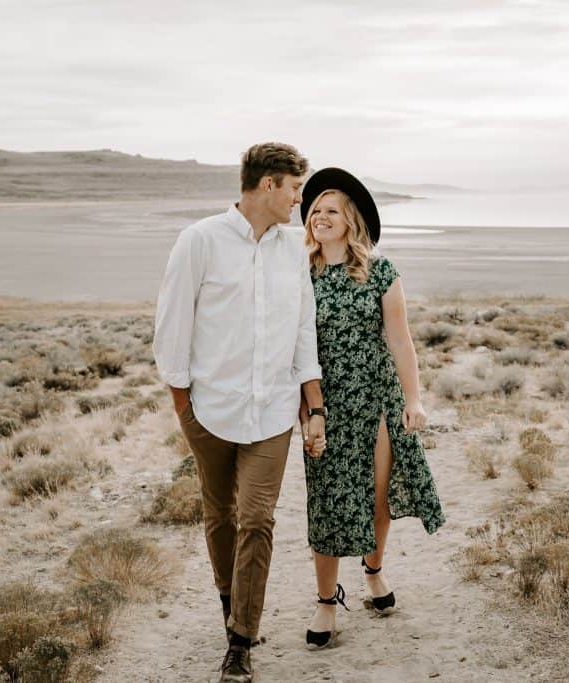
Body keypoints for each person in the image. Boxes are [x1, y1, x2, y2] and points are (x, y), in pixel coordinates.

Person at [152, 142, 327, 683]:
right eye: (296, 189)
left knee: (257, 519)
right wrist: (184, 406)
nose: (301, 200)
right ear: (269, 185)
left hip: (272, 412)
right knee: (219, 516)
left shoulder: (295, 249)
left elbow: (303, 331)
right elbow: (172, 325)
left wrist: (311, 405)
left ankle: (240, 641)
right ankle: (231, 603)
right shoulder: (199, 241)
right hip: (209, 410)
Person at [298, 168, 445, 649]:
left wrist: (414, 398)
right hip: (324, 403)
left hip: (377, 397)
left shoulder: (381, 271)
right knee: (328, 502)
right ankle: (325, 602)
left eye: (331, 211)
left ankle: (374, 571)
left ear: (350, 221)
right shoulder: (298, 273)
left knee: (377, 496)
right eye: (315, 210)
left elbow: (401, 342)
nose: (320, 217)